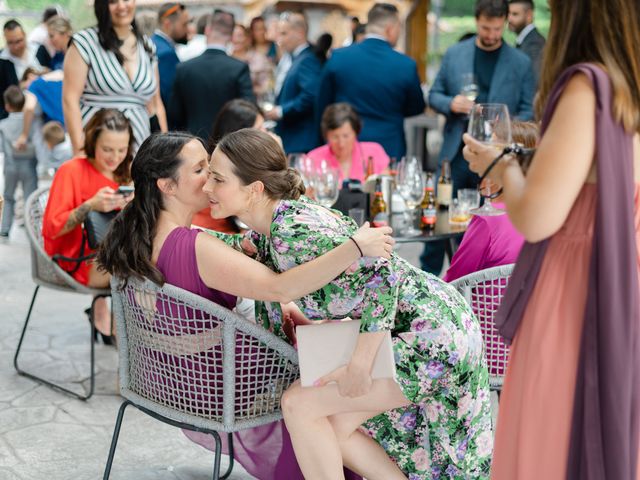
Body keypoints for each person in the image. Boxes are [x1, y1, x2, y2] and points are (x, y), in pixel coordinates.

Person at [96, 131, 392, 480]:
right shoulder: (191, 245)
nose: (211, 177)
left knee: (323, 344)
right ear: (167, 186)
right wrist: (355, 247)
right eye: (200, 170)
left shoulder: (137, 235)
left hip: (169, 379)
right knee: (345, 374)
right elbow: (280, 287)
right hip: (223, 383)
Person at [205, 129, 493, 479]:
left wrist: (360, 363)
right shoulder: (276, 226)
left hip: (430, 334)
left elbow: (383, 272)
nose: (207, 187)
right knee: (332, 426)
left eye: (217, 179)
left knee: (300, 405)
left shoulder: (293, 232)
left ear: (254, 189)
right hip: (429, 323)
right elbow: (226, 249)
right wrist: (173, 229)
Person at [462, 0, 640, 477]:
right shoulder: (630, 90)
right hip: (623, 278)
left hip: (575, 285)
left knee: (549, 433)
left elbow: (538, 218)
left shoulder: (590, 86)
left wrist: (497, 163)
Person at [424, 0, 535, 276]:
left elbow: (528, 109)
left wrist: (506, 125)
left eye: (497, 28)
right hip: (457, 155)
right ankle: (430, 279)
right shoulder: (454, 53)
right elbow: (433, 95)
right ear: (477, 21)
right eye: (486, 28)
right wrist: (452, 103)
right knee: (441, 219)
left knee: (486, 221)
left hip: (499, 159)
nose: (492, 34)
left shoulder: (520, 62)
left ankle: (471, 279)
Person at [42, 109, 134, 343]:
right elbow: (52, 229)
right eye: (107, 149)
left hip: (116, 253)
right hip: (77, 260)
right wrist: (90, 205)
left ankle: (128, 328)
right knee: (145, 266)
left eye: (122, 150)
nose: (115, 157)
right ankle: (137, 335)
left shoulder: (126, 173)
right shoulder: (72, 170)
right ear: (93, 141)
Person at [316, 3, 426, 160]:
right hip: (389, 144)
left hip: (344, 143)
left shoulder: (338, 57)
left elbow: (323, 104)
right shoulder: (405, 65)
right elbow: (416, 107)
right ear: (390, 28)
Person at [63, 0, 167, 154]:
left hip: (139, 151)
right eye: (113, 1)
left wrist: (166, 151)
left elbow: (156, 104)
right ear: (102, 5)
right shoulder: (84, 42)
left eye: (126, 0)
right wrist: (79, 151)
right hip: (96, 150)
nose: (121, 6)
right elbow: (70, 100)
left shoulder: (146, 46)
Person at [443, 120, 538, 282]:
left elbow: (452, 282)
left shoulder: (488, 220)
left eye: (489, 151)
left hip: (480, 307)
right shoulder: (545, 215)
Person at [168, 10, 255, 140]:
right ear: (231, 36)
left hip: (193, 140)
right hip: (228, 143)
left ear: (207, 30)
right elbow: (249, 109)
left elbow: (174, 113)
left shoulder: (184, 68)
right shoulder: (239, 68)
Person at [265, 12, 322, 154]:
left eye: (284, 34)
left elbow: (310, 96)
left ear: (300, 33)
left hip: (301, 140)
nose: (280, 40)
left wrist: (281, 111)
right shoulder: (296, 58)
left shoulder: (308, 59)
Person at [306, 103, 389, 184]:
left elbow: (387, 184)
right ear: (326, 135)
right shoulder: (313, 158)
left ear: (356, 132)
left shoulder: (374, 152)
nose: (341, 144)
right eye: (335, 137)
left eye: (346, 136)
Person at [0, 86, 37, 238]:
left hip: (10, 166)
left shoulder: (3, 125)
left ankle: (5, 228)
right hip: (29, 165)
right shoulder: (32, 123)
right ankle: (32, 230)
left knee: (8, 197)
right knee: (30, 198)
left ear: (7, 106)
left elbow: (1, 148)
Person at [0, 20, 42, 120]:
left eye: (19, 41)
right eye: (10, 43)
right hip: (15, 116)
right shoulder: (2, 62)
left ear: (25, 35)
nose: (16, 47)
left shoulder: (39, 51)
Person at [152, 2, 190, 107]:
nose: (187, 29)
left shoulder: (153, 43)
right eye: (184, 24)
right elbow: (170, 97)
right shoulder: (166, 53)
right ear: (167, 24)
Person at [230, 24, 273, 98]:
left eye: (239, 36)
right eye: (232, 35)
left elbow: (267, 86)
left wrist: (250, 90)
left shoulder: (258, 58)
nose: (235, 39)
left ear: (247, 38)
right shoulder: (225, 57)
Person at [508, 0, 545, 82]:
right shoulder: (525, 41)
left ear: (529, 15)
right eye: (508, 14)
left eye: (515, 14)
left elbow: (535, 80)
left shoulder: (535, 44)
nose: (509, 19)